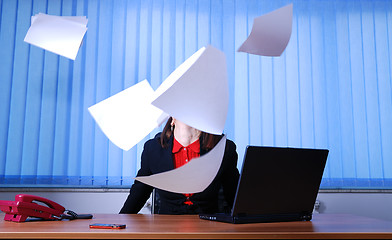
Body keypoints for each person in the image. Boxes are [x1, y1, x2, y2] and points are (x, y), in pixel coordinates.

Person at [119, 117, 240, 214]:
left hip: (209, 226)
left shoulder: (223, 149)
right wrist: (119, 222)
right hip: (167, 227)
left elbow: (233, 193)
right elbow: (140, 191)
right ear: (172, 119)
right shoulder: (153, 149)